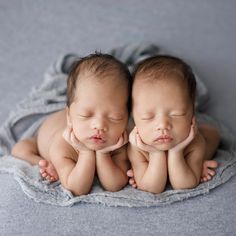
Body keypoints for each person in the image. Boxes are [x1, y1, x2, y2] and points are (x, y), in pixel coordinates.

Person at [11, 53, 132, 196]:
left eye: (114, 117)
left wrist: (103, 154)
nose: (99, 125)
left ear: (127, 118)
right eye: (86, 115)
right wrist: (86, 152)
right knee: (20, 149)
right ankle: (41, 162)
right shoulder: (63, 145)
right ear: (69, 116)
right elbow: (76, 188)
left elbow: (115, 185)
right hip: (43, 135)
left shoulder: (119, 143)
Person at [126, 55, 220, 194]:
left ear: (192, 111)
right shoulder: (137, 146)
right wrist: (155, 153)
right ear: (133, 117)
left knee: (213, 134)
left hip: (199, 135)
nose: (163, 125)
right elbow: (151, 188)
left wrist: (177, 151)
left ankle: (200, 160)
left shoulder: (194, 142)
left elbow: (184, 185)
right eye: (148, 116)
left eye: (176, 114)